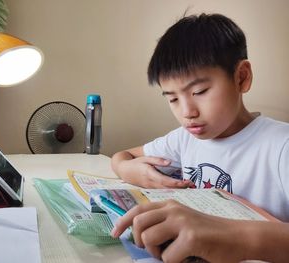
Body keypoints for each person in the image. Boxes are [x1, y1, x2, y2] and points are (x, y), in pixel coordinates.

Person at [111, 13, 289, 262]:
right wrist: (129, 169)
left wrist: (234, 237)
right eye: (172, 98)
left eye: (199, 91)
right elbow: (122, 156)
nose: (187, 113)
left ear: (241, 77)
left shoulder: (281, 146)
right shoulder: (185, 139)